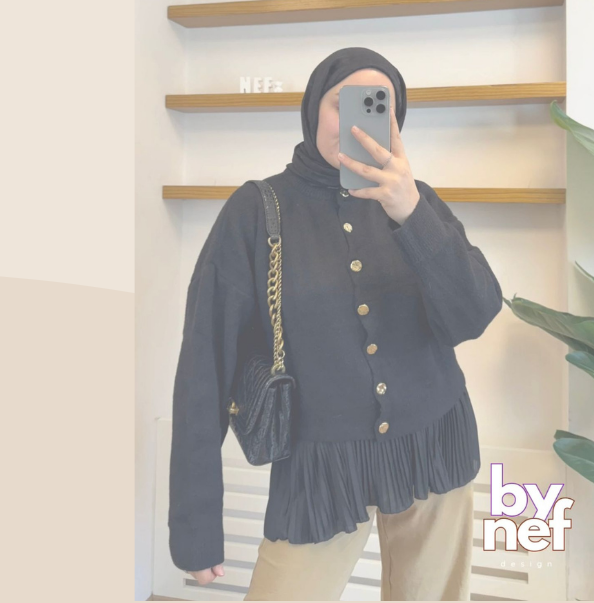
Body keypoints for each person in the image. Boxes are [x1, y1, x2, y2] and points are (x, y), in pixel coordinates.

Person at [168, 47, 504, 601]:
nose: (359, 120)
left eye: (377, 105)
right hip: (319, 469)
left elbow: (476, 313)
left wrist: (412, 214)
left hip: (435, 445)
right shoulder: (256, 210)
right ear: (312, 109)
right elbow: (204, 364)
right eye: (342, 103)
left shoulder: (414, 201)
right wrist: (195, 525)